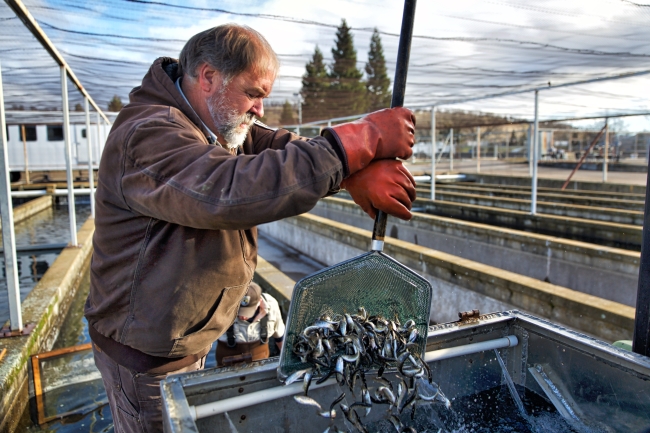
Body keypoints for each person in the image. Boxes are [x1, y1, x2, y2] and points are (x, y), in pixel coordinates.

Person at [85, 23, 416, 433]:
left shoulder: (213, 126)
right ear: (209, 77)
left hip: (186, 342)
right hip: (147, 363)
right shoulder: (149, 133)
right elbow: (227, 191)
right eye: (253, 93)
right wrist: (357, 142)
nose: (259, 109)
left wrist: (350, 173)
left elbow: (274, 146)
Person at [215, 282, 284, 366]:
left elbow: (279, 335)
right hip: (226, 366)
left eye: (248, 312)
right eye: (239, 311)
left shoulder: (271, 304)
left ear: (259, 302)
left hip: (260, 365)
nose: (243, 317)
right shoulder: (219, 308)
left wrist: (284, 357)